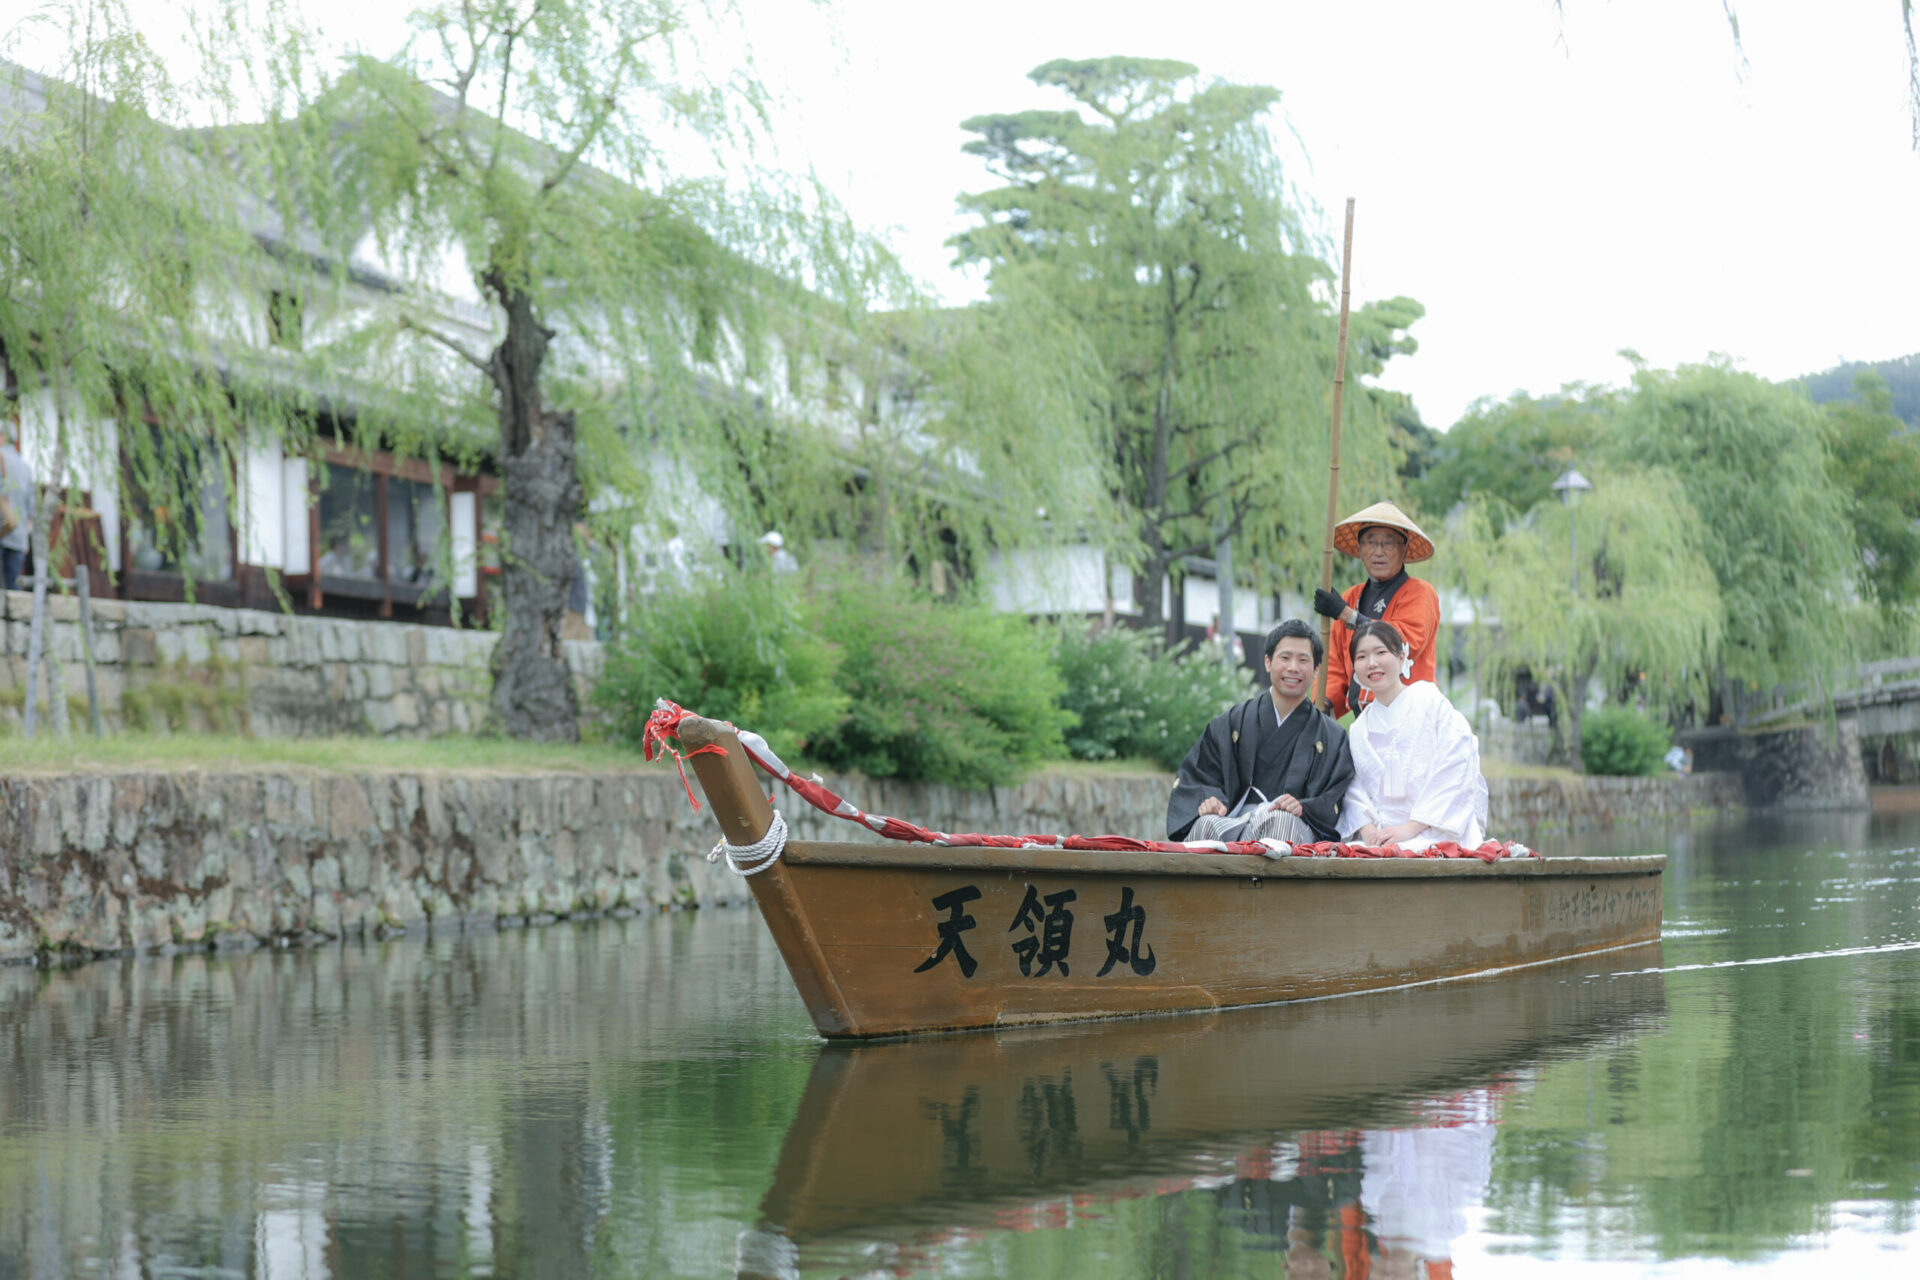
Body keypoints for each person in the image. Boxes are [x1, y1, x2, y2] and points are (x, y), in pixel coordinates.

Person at [1168, 618, 1355, 845]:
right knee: (1205, 824)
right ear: (1268, 662)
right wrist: (1210, 799)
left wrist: (1304, 807)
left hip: (1291, 826)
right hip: (1234, 819)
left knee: (1279, 824)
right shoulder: (1233, 721)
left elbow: (1332, 797)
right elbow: (1200, 774)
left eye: (1303, 660)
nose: (1293, 667)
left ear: (1316, 669)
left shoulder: (1331, 736)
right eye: (1285, 658)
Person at [1338, 620, 1489, 850]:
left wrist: (1410, 828)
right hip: (1383, 833)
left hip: (1435, 828)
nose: (1372, 663)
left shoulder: (1430, 702)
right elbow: (1354, 789)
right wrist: (1368, 830)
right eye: (1361, 657)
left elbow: (1457, 762)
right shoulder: (1359, 729)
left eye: (1381, 652)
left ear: (1401, 657)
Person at [1313, 501, 1441, 720]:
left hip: (1414, 717)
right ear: (1360, 549)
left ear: (1404, 549)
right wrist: (1324, 703)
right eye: (1370, 543)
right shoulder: (1351, 597)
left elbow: (1402, 641)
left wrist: (1347, 615)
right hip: (1365, 719)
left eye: (1388, 544)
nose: (1378, 551)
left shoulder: (1421, 592)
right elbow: (1334, 664)